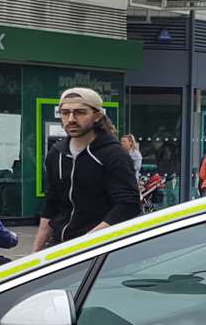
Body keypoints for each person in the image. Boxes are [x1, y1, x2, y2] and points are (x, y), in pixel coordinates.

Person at [34, 87, 140, 252]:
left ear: (97, 116)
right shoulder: (56, 153)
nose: (71, 119)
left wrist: (85, 244)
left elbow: (128, 205)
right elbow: (51, 204)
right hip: (59, 245)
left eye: (80, 112)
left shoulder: (114, 154)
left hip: (99, 250)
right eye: (65, 113)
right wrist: (35, 253)